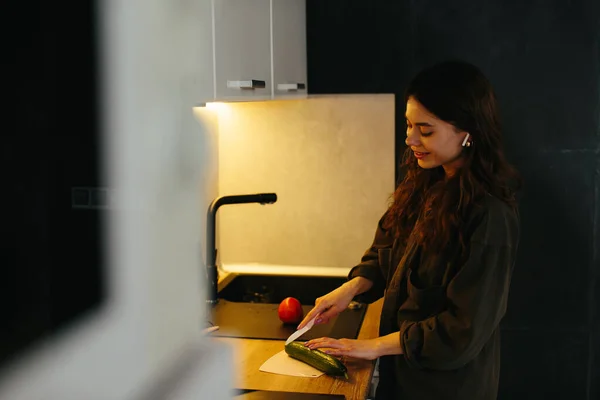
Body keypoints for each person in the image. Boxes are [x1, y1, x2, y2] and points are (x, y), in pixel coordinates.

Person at [296, 60, 521, 400]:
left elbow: (461, 333)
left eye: (426, 130)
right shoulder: (425, 180)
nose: (410, 139)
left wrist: (371, 347)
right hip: (401, 376)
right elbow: (385, 246)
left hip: (445, 389)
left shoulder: (490, 216)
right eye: (408, 125)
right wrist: (351, 288)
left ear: (467, 132)